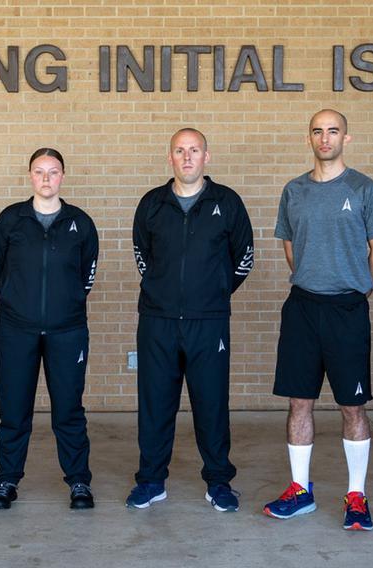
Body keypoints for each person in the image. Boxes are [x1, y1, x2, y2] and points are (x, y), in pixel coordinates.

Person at [262, 110, 373, 531]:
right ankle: (300, 490)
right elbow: (290, 246)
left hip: (347, 310)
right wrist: (311, 277)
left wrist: (356, 291)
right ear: (309, 138)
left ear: (345, 138)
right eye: (317, 131)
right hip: (302, 308)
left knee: (351, 405)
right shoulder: (293, 190)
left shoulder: (365, 188)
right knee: (299, 401)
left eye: (332, 130)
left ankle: (357, 495)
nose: (325, 138)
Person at [126, 128, 254, 512]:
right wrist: (165, 293)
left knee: (211, 404)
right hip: (157, 320)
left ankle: (219, 482)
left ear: (206, 156)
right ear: (170, 158)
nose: (187, 157)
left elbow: (243, 257)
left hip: (208, 321)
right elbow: (142, 256)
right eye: (179, 151)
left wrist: (213, 293)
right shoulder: (152, 204)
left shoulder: (227, 202)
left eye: (194, 150)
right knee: (154, 404)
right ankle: (151, 480)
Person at [0, 148, 99, 510]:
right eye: (39, 172)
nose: (46, 179)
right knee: (14, 410)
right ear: (30, 176)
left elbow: (86, 276)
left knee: (68, 409)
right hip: (16, 330)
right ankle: (6, 480)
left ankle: (79, 481)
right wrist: (21, 303)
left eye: (53, 172)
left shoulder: (80, 223)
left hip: (67, 331)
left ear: (63, 176)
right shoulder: (10, 220)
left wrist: (62, 306)